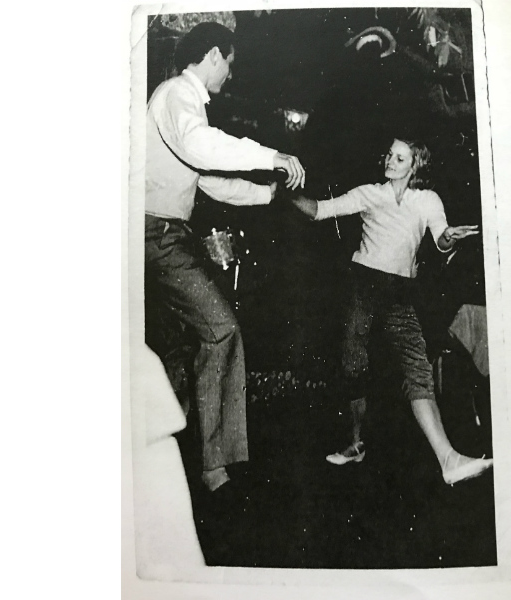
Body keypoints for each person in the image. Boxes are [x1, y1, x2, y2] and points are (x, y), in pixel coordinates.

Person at [145, 22, 306, 493]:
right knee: (221, 330)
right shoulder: (178, 93)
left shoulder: (179, 102)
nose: (230, 75)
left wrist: (266, 195)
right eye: (229, 64)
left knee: (181, 346)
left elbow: (208, 180)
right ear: (214, 54)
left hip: (161, 233)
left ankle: (175, 457)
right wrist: (272, 156)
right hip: (158, 234)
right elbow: (203, 147)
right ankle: (215, 467)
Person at [291, 137, 492, 486]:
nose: (390, 161)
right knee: (354, 365)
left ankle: (449, 460)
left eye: (400, 158)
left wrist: (450, 238)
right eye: (389, 155)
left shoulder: (427, 200)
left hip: (401, 292)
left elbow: (441, 239)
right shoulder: (370, 193)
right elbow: (320, 210)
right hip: (363, 285)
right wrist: (283, 194)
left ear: (415, 165)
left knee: (417, 370)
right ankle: (356, 443)